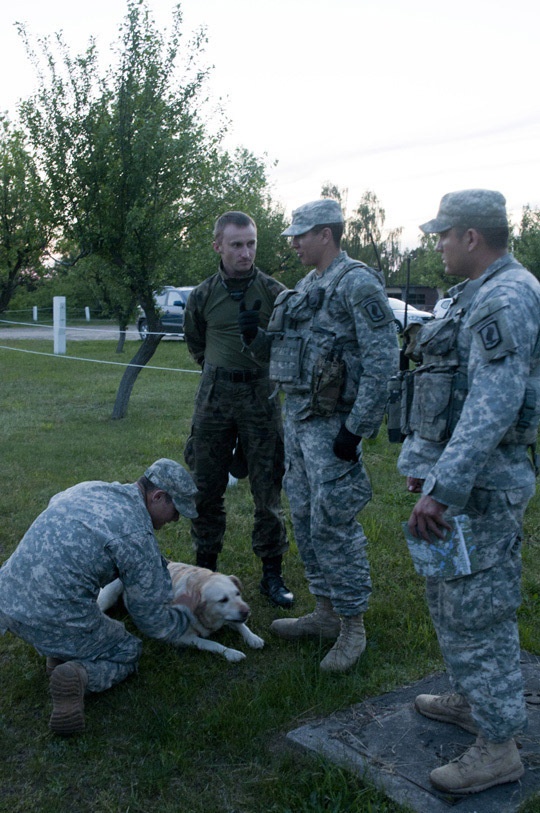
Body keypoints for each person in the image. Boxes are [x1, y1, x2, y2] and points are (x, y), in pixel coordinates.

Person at [397, 189, 540, 795]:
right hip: (463, 481)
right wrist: (428, 467)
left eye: (444, 235)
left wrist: (444, 489)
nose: (439, 245)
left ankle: (499, 745)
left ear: (471, 237)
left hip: (481, 487)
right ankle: (470, 697)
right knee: (452, 598)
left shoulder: (503, 297)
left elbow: (493, 403)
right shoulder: (481, 292)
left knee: (478, 611)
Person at [239, 199, 399, 672]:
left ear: (326, 234)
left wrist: (357, 429)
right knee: (306, 521)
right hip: (300, 424)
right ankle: (326, 612)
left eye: (301, 234)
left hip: (335, 429)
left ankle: (352, 625)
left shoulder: (357, 284)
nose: (293, 242)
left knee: (336, 523)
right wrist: (255, 336)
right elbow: (283, 353)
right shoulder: (306, 288)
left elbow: (383, 363)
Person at [0, 458, 199, 736]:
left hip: (7, 596)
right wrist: (184, 619)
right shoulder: (137, 534)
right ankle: (79, 675)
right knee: (127, 650)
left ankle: (59, 650)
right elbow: (150, 616)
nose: (175, 519)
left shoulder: (90, 488)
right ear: (158, 496)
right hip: (54, 613)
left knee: (65, 610)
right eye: (176, 511)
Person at [183, 211, 293, 608]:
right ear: (218, 245)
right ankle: (204, 569)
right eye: (236, 244)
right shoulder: (202, 295)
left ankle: (272, 574)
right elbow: (195, 342)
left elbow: (288, 348)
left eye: (250, 244)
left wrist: (259, 342)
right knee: (205, 487)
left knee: (268, 489)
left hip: (260, 398)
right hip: (214, 397)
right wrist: (220, 369)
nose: (245, 252)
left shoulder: (275, 292)